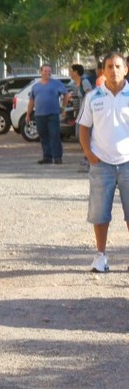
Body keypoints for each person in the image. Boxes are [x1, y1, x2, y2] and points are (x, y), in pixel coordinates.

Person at [78, 52, 129, 273]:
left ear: (126, 69)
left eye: (118, 66)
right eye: (109, 66)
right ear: (103, 70)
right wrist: (89, 153)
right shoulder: (93, 97)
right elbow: (83, 127)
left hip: (128, 162)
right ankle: (100, 256)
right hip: (102, 165)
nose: (114, 70)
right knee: (100, 214)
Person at [25, 63, 70, 165]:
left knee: (55, 135)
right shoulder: (35, 86)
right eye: (45, 71)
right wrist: (28, 114)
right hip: (39, 115)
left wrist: (63, 107)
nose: (47, 73)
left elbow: (66, 94)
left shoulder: (56, 83)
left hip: (53, 114)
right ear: (41, 72)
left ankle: (57, 157)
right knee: (43, 136)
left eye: (49, 71)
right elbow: (31, 101)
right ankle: (47, 157)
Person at [69, 63, 93, 173]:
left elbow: (90, 95)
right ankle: (87, 157)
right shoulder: (74, 84)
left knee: (84, 135)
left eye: (71, 70)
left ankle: (89, 159)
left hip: (85, 113)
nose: (69, 72)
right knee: (79, 136)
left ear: (76, 72)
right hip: (78, 113)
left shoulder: (84, 82)